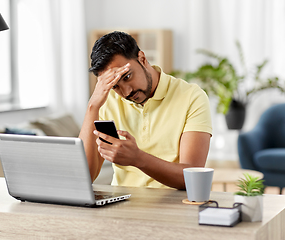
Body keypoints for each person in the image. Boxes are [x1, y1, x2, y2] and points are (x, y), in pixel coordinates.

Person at [79, 31, 212, 190]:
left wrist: (137, 158)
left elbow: (192, 178)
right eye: (115, 86)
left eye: (127, 77)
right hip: (122, 205)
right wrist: (92, 107)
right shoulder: (106, 101)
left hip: (174, 207)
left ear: (142, 59)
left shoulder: (192, 97)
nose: (126, 92)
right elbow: (84, 177)